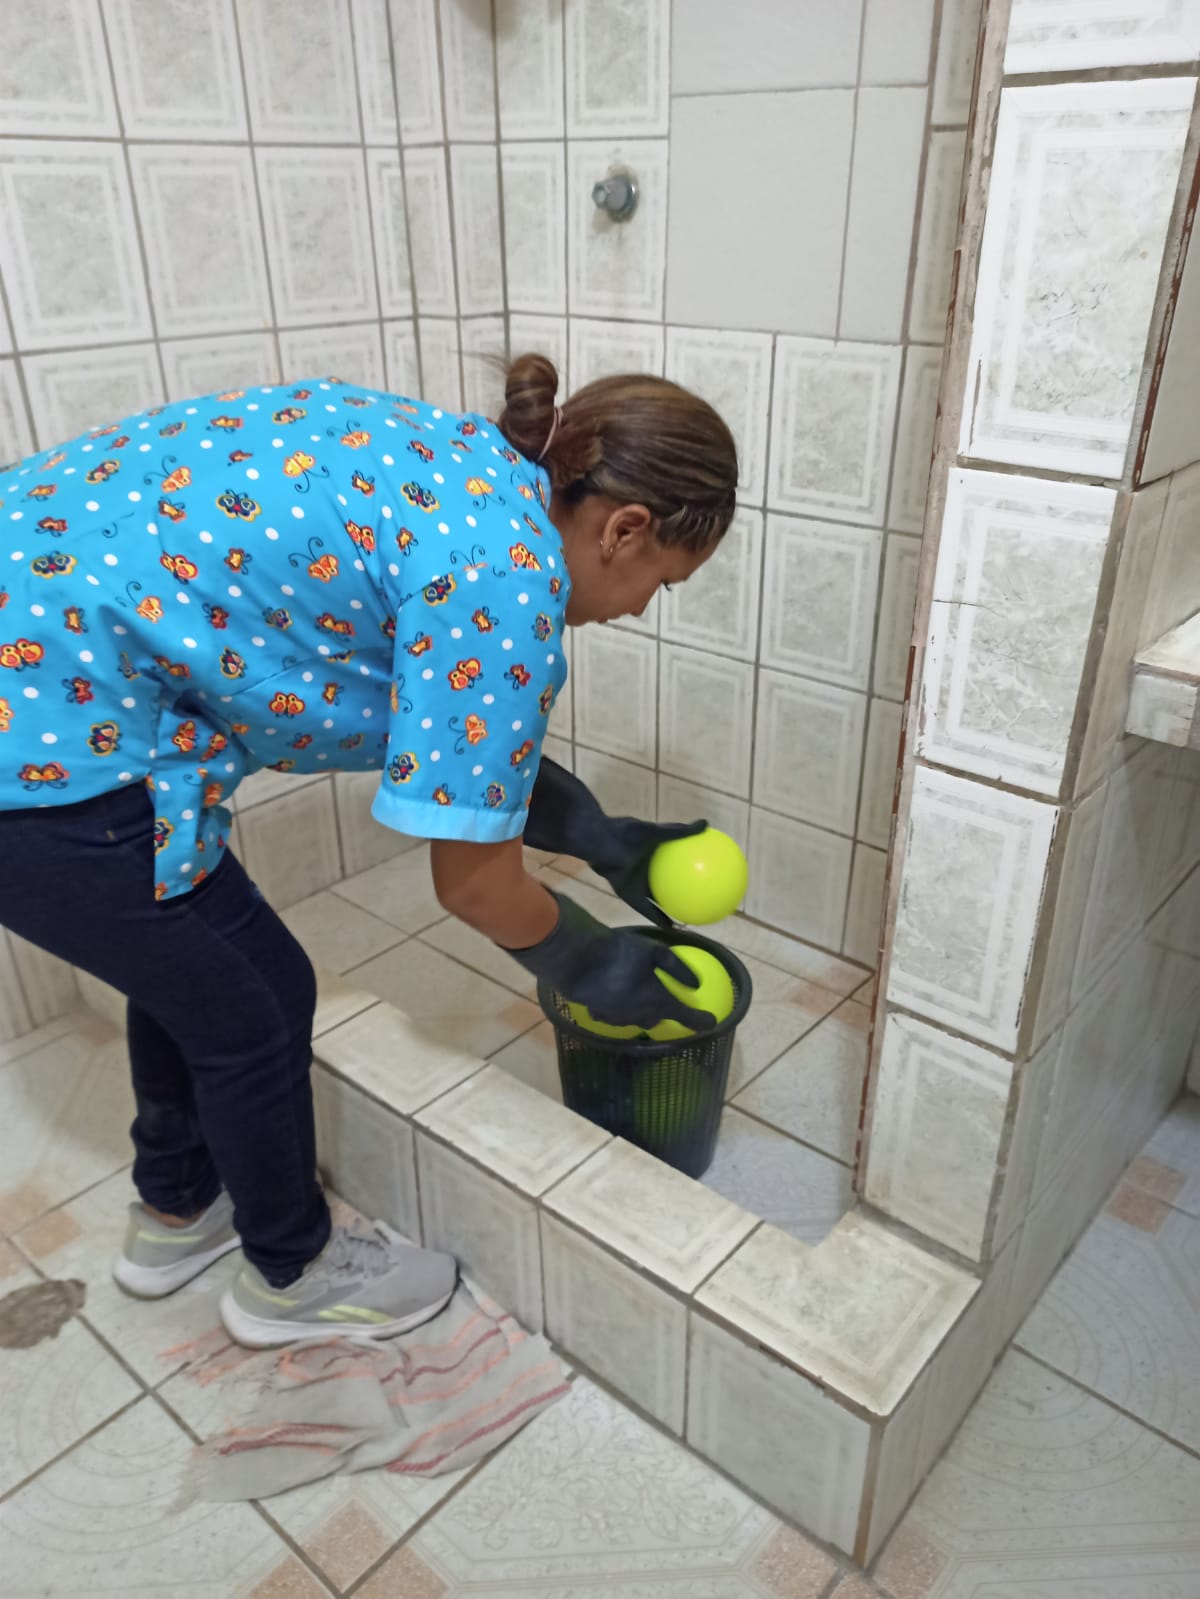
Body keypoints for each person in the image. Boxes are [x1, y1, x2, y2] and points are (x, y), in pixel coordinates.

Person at [0, 354, 738, 1347]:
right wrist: (590, 962)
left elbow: (458, 740)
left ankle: (179, 1210)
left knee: (196, 973)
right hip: (41, 745)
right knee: (256, 1004)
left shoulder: (466, 472)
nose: (642, 607)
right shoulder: (509, 581)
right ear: (626, 529)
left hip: (46, 674)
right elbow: (474, 884)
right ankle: (292, 1275)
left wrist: (602, 840)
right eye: (662, 583)